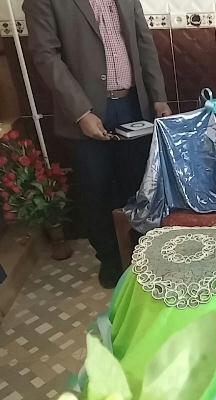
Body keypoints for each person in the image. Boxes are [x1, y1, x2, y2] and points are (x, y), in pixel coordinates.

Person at [23, 0, 171, 288]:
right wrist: (81, 112)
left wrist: (158, 97)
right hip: (86, 111)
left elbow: (144, 44)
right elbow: (45, 55)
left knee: (140, 186)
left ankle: (143, 255)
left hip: (133, 106)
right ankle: (110, 259)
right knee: (97, 189)